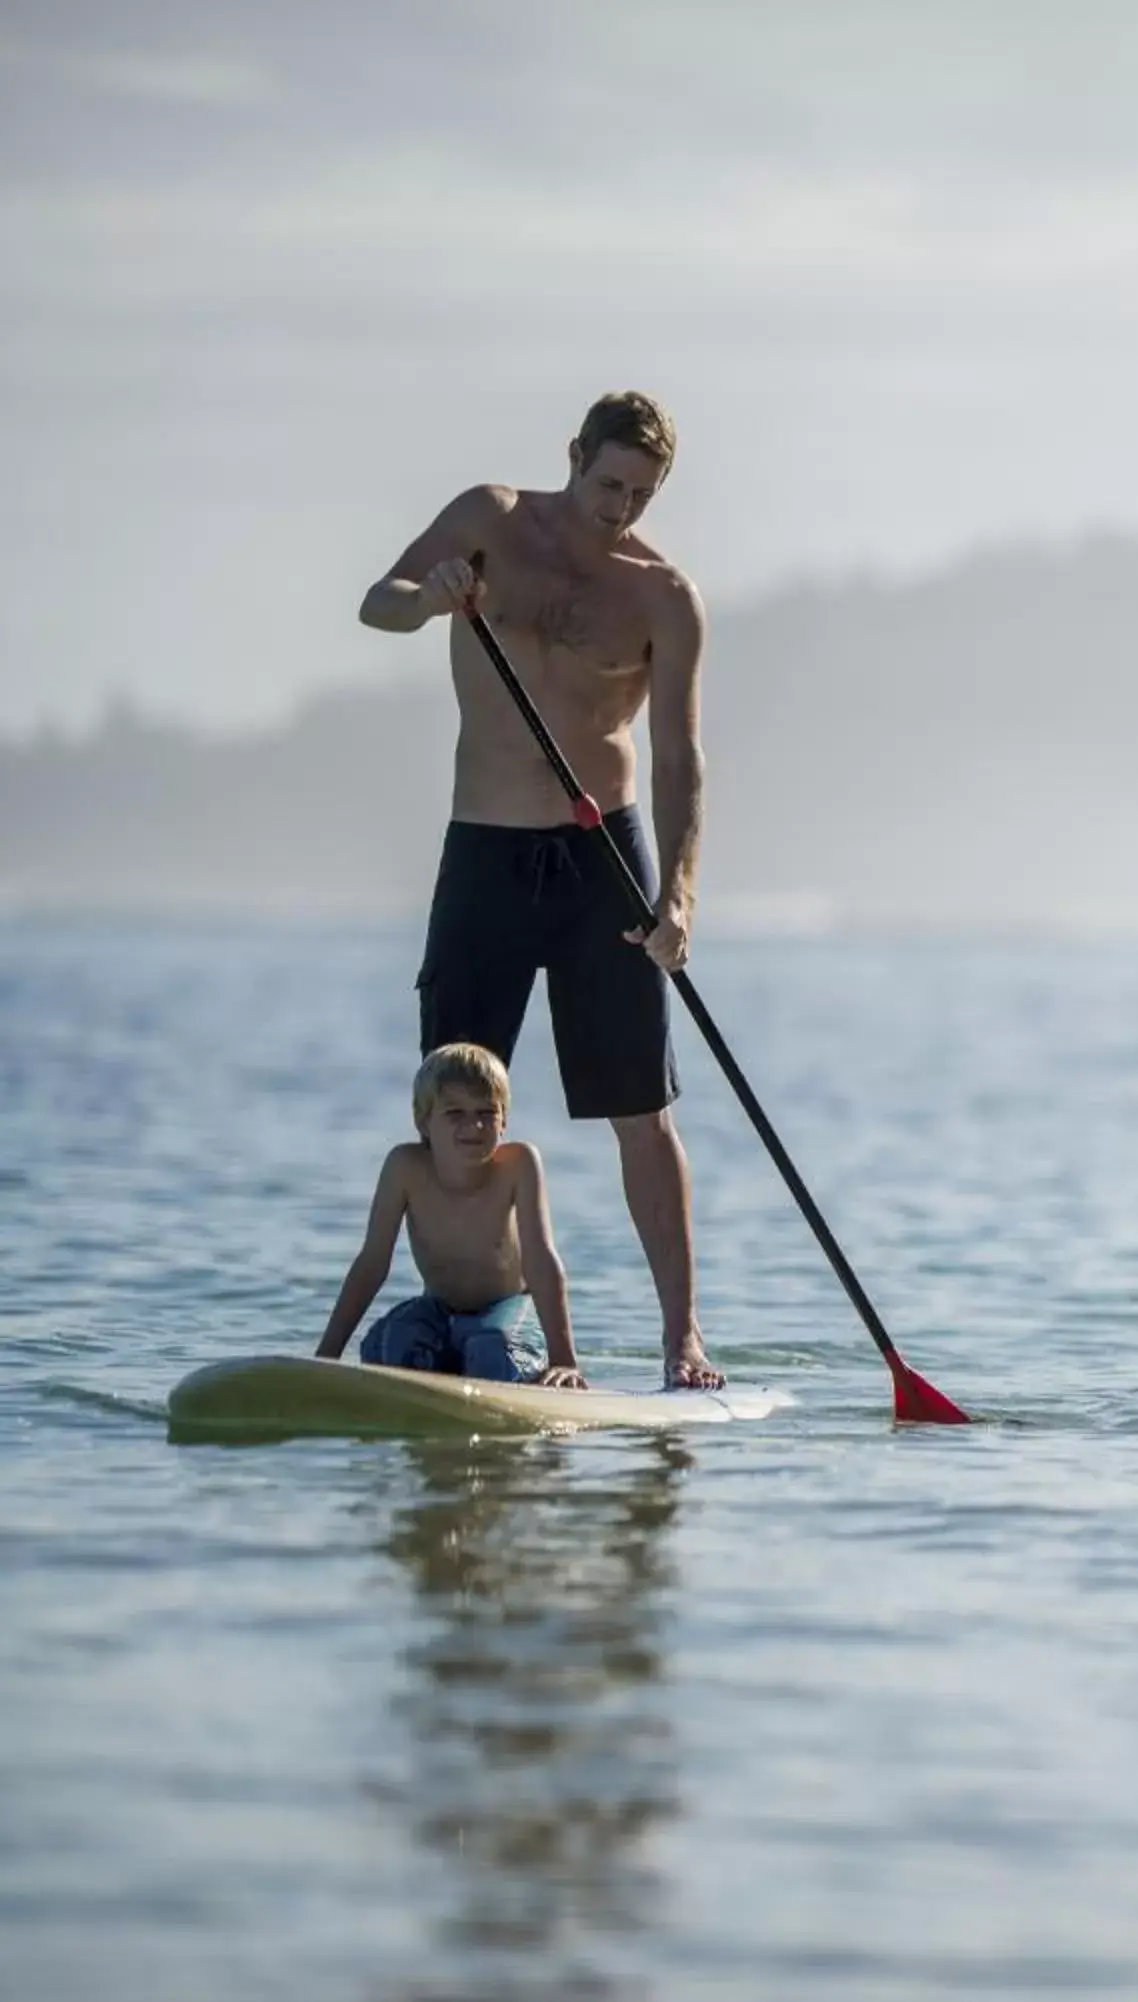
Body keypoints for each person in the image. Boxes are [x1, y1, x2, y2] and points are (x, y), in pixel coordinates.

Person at [359, 391, 720, 1389]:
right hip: (485, 851)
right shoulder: (489, 520)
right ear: (573, 457)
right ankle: (460, 1321)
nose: (620, 510)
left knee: (641, 1109)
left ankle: (681, 1341)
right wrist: (430, 593)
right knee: (453, 1106)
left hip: (604, 864)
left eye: (641, 495)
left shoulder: (664, 597)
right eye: (609, 485)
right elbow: (375, 603)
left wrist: (679, 895)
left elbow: (682, 760)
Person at [316, 1043, 585, 1387]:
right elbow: (372, 1263)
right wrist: (327, 1356)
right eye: (455, 1113)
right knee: (395, 1343)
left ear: (504, 1120)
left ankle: (489, 1365)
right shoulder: (404, 1168)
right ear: (423, 1121)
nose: (473, 1125)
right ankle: (447, 1365)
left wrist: (565, 1360)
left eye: (486, 1112)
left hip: (505, 1309)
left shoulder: (519, 1165)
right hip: (439, 1309)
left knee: (494, 1351)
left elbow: (542, 1259)